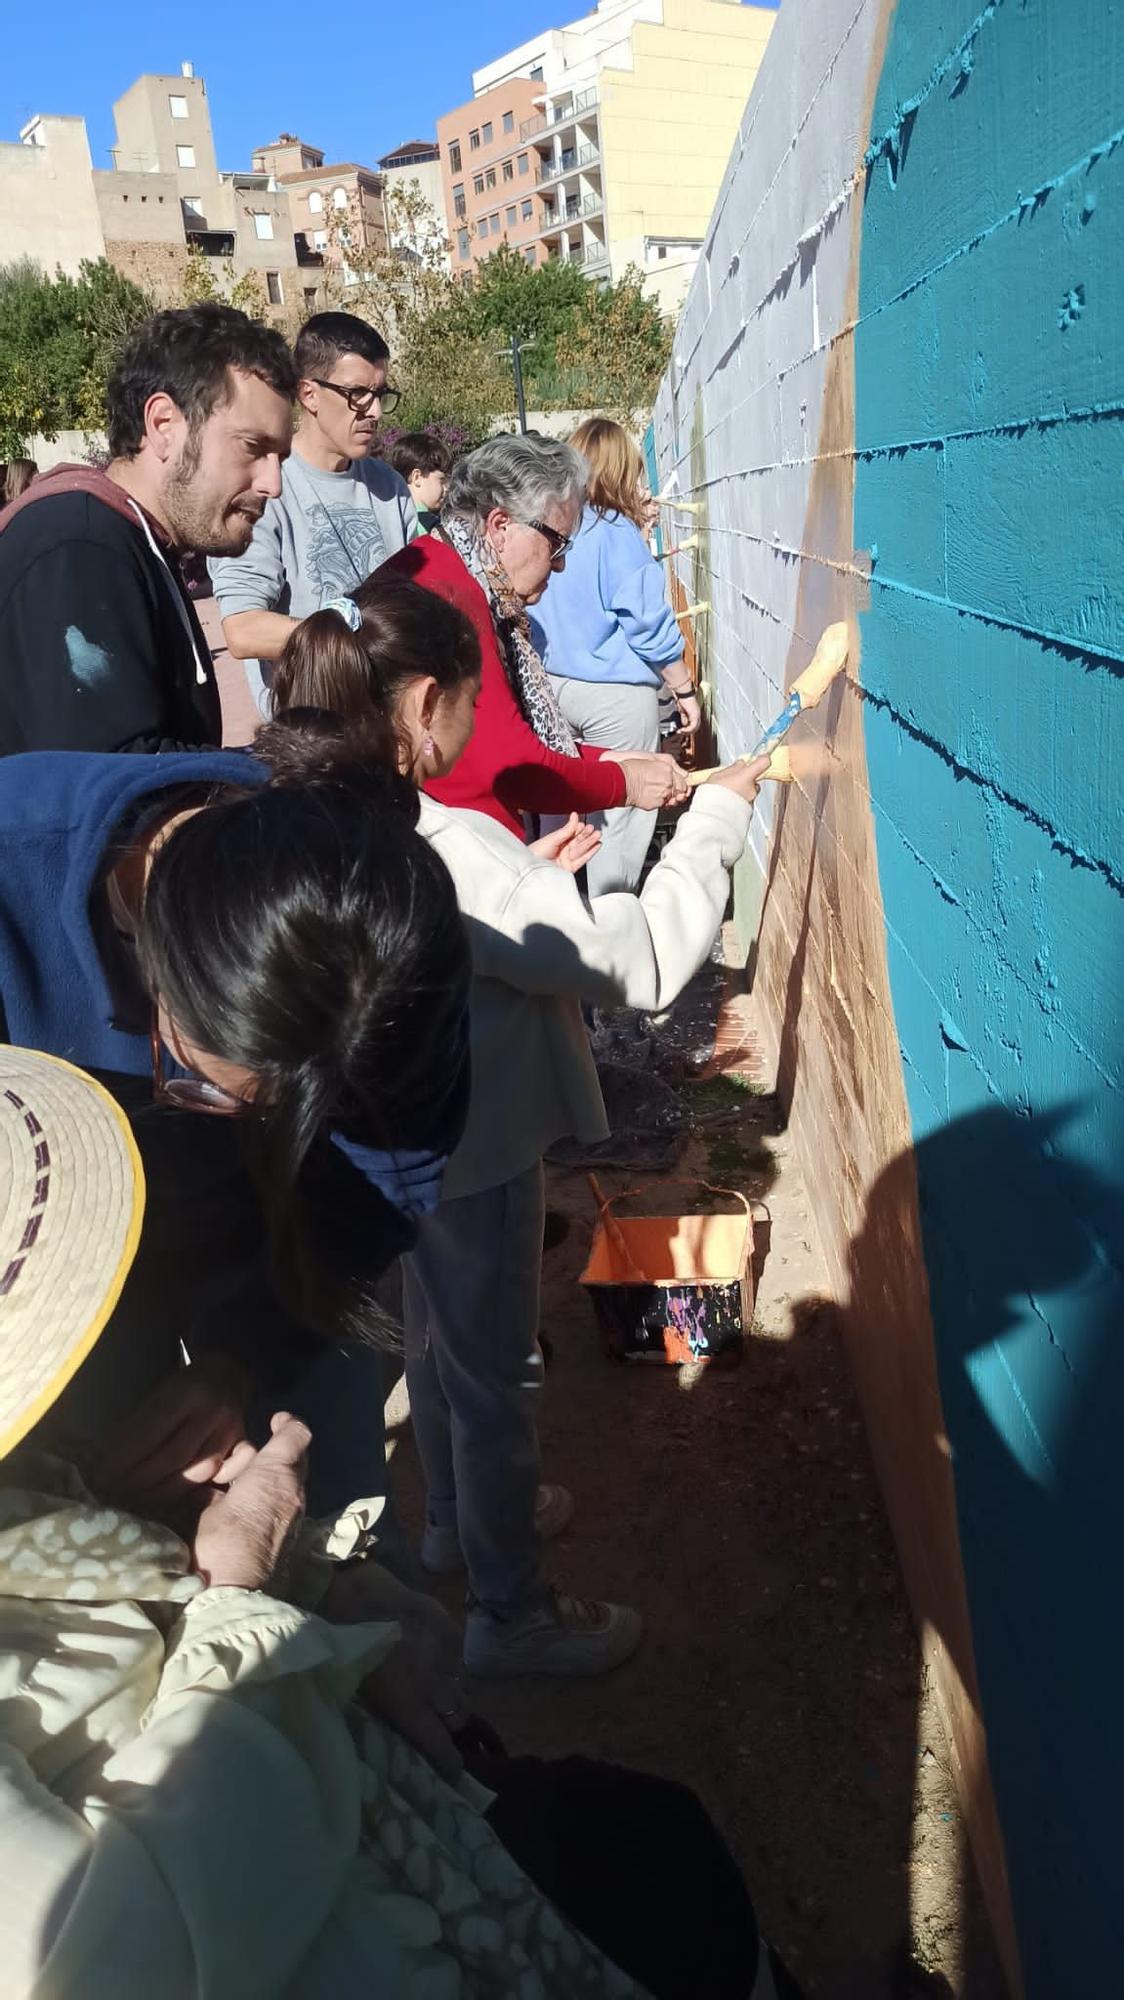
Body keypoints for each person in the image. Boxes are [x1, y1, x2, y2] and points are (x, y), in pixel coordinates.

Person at [0, 1043, 793, 1999]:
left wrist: (174, 1528)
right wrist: (239, 1592)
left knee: (649, 1840)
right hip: (349, 1909)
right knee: (660, 1872)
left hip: (363, 1783)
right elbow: (143, 1951)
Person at [271, 573, 771, 1678]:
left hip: (391, 1146)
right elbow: (632, 963)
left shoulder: (345, 818)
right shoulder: (451, 846)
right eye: (468, 698)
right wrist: (716, 820)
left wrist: (526, 888)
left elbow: (480, 935)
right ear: (420, 707)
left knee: (441, 1343)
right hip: (475, 1142)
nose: (475, 722)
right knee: (496, 1369)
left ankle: (455, 1521)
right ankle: (513, 1612)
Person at [0, 724, 469, 1546]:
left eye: (303, 1118)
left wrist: (241, 1357)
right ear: (152, 974)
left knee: (330, 1538)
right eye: (203, 1088)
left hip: (290, 1270)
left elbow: (382, 1183)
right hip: (44, 1275)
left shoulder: (392, 969)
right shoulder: (14, 870)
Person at [0, 304, 295, 756]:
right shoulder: (78, 548)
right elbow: (110, 796)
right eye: (253, 447)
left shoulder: (135, 539)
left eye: (281, 458)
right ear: (163, 425)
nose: (272, 484)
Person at [388, 431, 689, 839]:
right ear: (500, 526)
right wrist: (627, 783)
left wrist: (612, 759)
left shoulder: (460, 574)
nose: (560, 566)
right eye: (556, 545)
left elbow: (512, 741)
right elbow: (513, 767)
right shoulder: (455, 597)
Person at [212, 311, 415, 718]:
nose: (373, 411)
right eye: (358, 393)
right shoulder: (264, 488)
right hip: (313, 737)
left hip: (392, 725)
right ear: (308, 394)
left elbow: (416, 600)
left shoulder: (389, 486)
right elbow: (243, 629)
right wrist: (358, 637)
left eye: (380, 393)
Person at [531, 417, 702, 893]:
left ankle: (553, 921)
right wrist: (683, 687)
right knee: (619, 827)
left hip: (549, 691)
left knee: (557, 819)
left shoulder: (549, 529)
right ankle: (610, 928)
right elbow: (647, 623)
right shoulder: (616, 532)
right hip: (616, 699)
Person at [387, 429, 451, 532]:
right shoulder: (427, 526)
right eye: (442, 480)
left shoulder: (390, 518)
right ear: (417, 477)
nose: (447, 488)